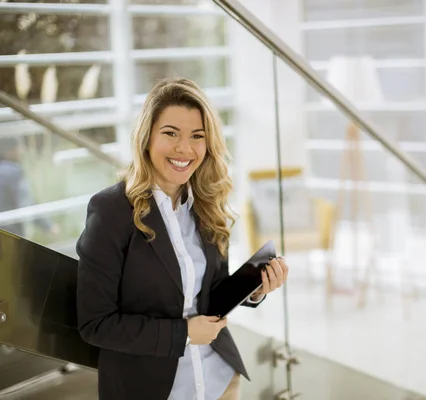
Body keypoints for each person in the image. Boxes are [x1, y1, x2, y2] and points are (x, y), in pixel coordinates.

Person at [76, 78, 289, 400]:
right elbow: (97, 324)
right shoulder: (111, 211)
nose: (184, 149)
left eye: (197, 136)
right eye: (170, 133)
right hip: (151, 389)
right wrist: (184, 334)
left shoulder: (207, 206)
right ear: (147, 137)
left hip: (219, 381)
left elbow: (207, 295)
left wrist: (253, 289)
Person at [0, 137, 59, 237]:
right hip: (11, 230)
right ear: (8, 151)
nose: (21, 150)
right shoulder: (13, 172)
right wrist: (48, 225)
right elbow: (26, 203)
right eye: (18, 147)